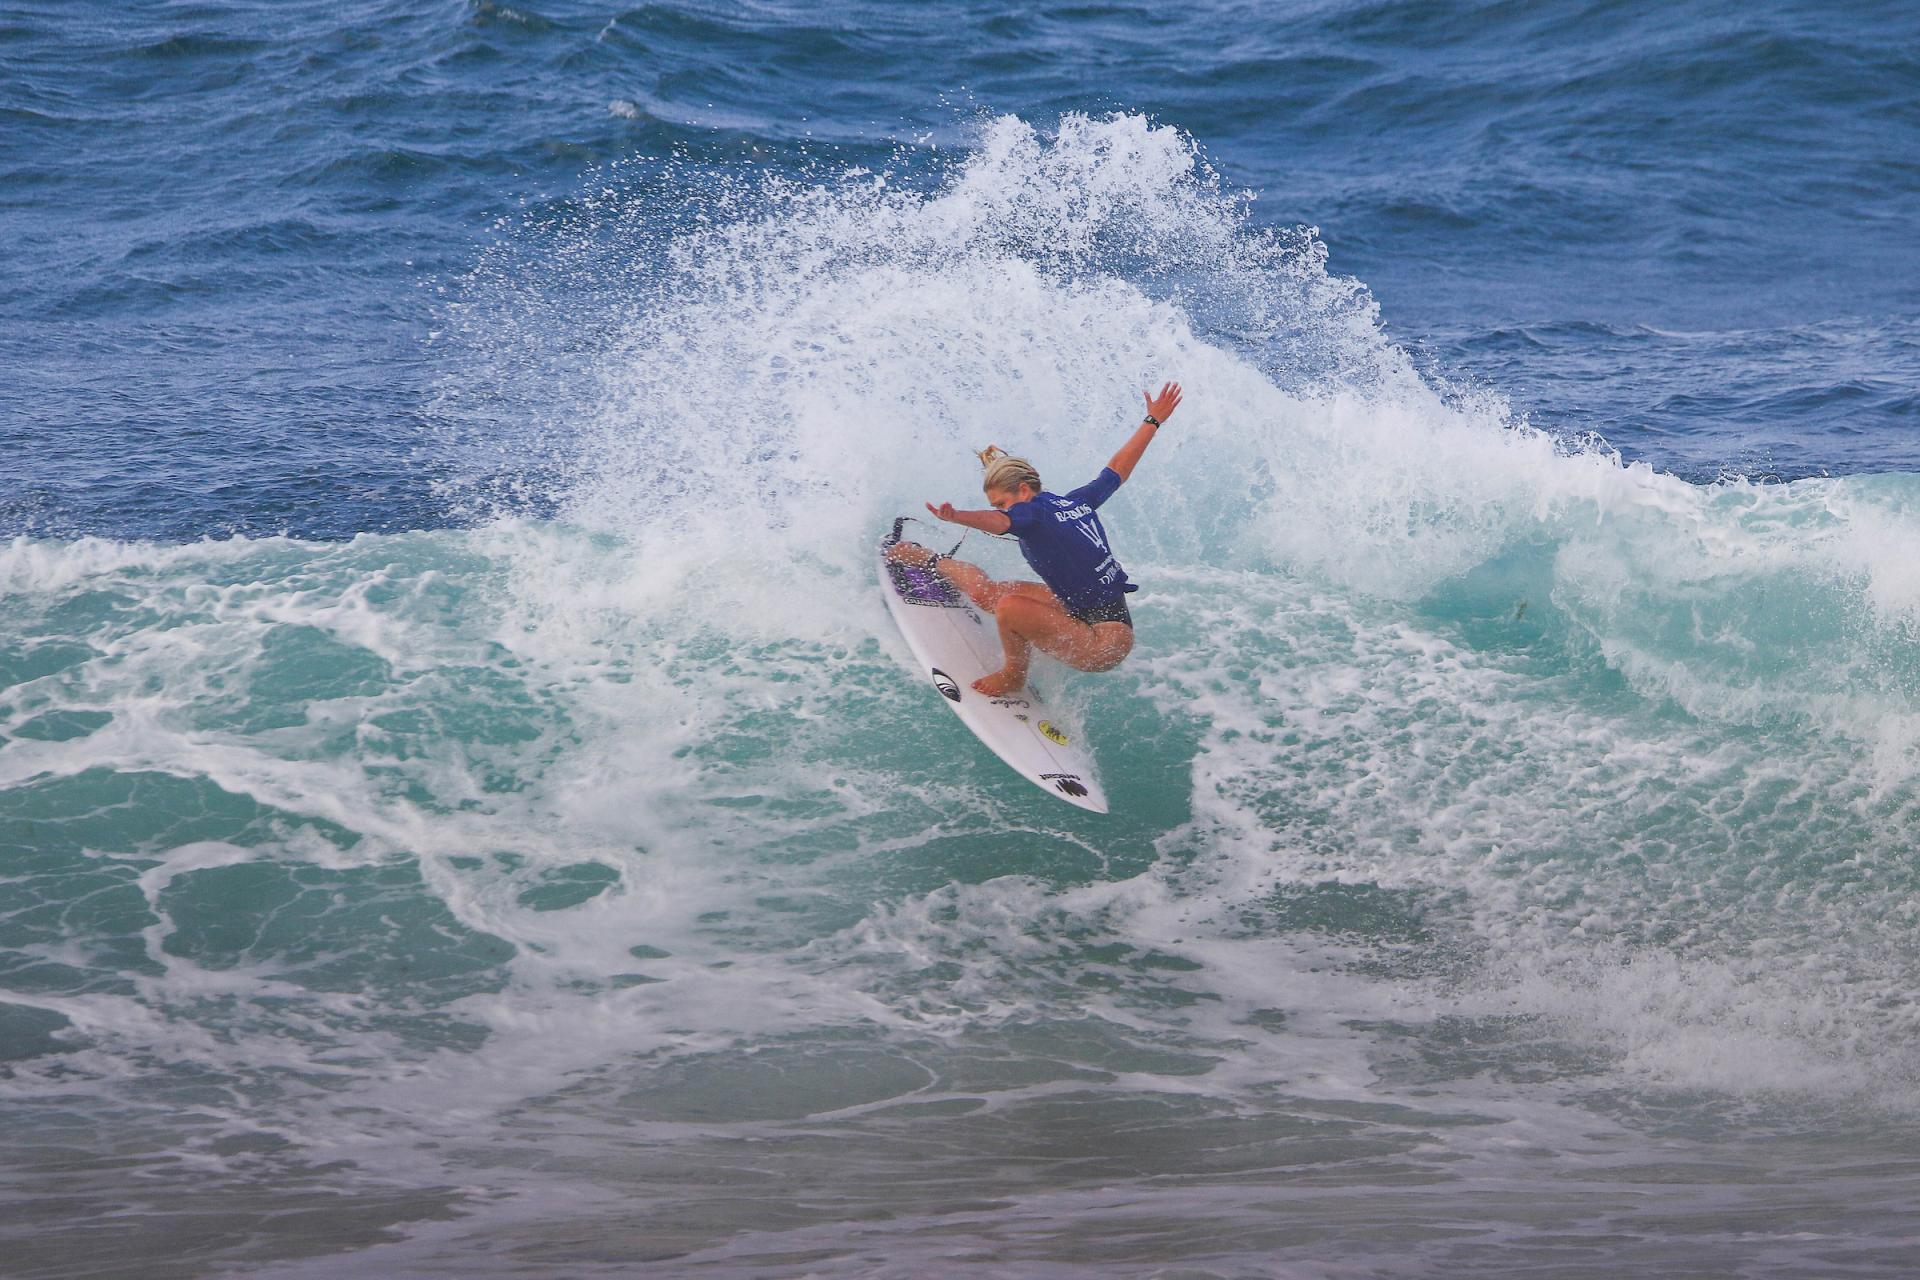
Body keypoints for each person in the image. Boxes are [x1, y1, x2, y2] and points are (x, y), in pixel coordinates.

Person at [887, 381, 1183, 696]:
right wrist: (1153, 421)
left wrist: (957, 516)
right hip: (1078, 608)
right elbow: (1117, 470)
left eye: (1002, 502)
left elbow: (999, 522)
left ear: (1024, 491)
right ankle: (932, 561)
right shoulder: (1074, 502)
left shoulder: (1032, 514)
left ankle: (1014, 675)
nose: (1002, 510)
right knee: (991, 595)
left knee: (1010, 608)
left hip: (1103, 645)